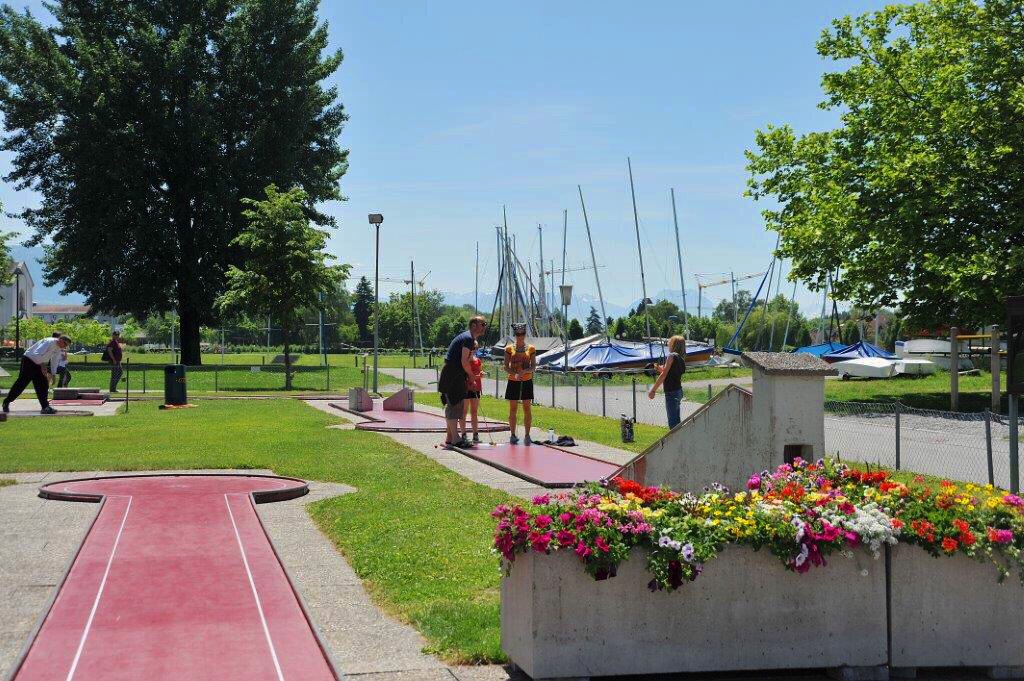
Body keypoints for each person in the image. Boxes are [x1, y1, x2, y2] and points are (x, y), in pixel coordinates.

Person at [438, 316, 487, 448]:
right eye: (483, 324)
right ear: (474, 325)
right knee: (455, 405)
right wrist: (471, 376)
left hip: (453, 374)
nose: (485, 326)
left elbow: (466, 360)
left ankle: (449, 437)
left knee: (455, 404)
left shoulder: (469, 338)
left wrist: (469, 375)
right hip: (453, 375)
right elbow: (464, 361)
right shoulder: (468, 338)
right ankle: (455, 438)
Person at [2, 334, 71, 414]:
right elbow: (36, 353)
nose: (65, 347)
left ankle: (45, 407)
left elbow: (54, 360)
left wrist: (53, 374)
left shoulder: (59, 348)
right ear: (61, 340)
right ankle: (6, 402)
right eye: (65, 344)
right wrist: (42, 365)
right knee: (21, 383)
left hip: (38, 363)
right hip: (29, 360)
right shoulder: (49, 342)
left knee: (43, 384)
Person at [504, 324, 536, 445]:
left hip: (527, 381)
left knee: (527, 408)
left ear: (525, 334)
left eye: (522, 334)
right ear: (515, 335)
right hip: (513, 381)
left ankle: (527, 435)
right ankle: (513, 435)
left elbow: (533, 366)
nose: (520, 336)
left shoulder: (531, 348)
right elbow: (506, 367)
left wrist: (525, 371)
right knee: (513, 408)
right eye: (518, 334)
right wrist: (515, 373)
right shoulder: (508, 348)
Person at [648, 335, 687, 428]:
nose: (668, 344)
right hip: (678, 391)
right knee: (676, 420)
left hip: (671, 392)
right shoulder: (681, 358)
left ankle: (676, 441)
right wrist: (659, 368)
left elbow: (664, 375)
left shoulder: (671, 356)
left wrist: (653, 390)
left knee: (673, 422)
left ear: (674, 344)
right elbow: (669, 372)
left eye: (669, 342)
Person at [461, 341, 483, 443]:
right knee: (464, 412)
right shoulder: (464, 361)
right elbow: (464, 375)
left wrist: (480, 374)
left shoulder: (477, 360)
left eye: (475, 348)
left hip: (476, 388)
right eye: (472, 348)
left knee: (474, 412)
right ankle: (464, 434)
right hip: (465, 388)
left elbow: (478, 373)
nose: (473, 350)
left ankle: (475, 434)